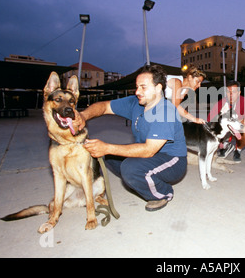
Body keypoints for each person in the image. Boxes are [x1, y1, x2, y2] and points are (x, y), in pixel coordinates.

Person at [74, 65, 187, 212]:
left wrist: (106, 147)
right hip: (150, 154)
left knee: (129, 168)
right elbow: (105, 106)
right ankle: (142, 178)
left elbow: (148, 151)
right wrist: (83, 116)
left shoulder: (165, 111)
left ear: (158, 88)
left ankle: (163, 193)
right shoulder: (136, 103)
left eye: (143, 87)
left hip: (173, 160)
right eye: (137, 87)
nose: (137, 91)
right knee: (108, 156)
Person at [207, 80, 245, 162]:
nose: (231, 95)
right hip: (224, 129)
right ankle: (224, 145)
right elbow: (209, 122)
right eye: (229, 92)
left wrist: (235, 120)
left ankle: (238, 150)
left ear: (239, 92)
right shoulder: (220, 103)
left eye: (234, 92)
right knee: (212, 132)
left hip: (236, 127)